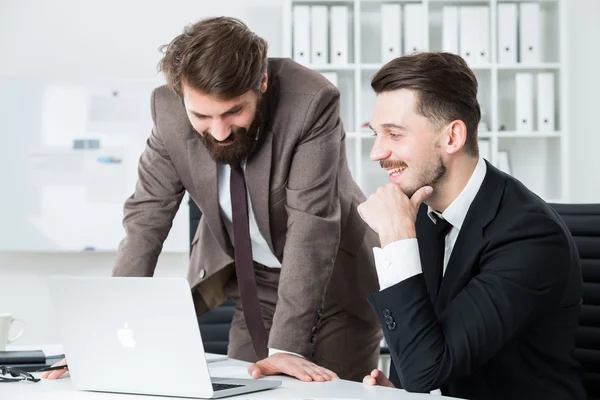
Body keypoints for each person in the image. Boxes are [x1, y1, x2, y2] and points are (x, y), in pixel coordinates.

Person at [42, 17, 382, 382]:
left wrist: (285, 350)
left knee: (330, 392)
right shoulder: (168, 110)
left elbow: (310, 226)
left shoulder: (311, 101)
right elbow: (146, 217)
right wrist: (104, 339)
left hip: (338, 284)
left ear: (262, 83)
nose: (219, 132)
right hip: (259, 284)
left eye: (235, 111)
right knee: (244, 387)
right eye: (202, 115)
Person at [357, 52, 585, 398]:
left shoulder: (530, 235)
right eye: (376, 134)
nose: (377, 152)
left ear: (452, 138)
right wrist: (401, 391)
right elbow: (425, 354)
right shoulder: (423, 213)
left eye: (394, 134)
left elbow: (427, 370)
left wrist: (397, 241)